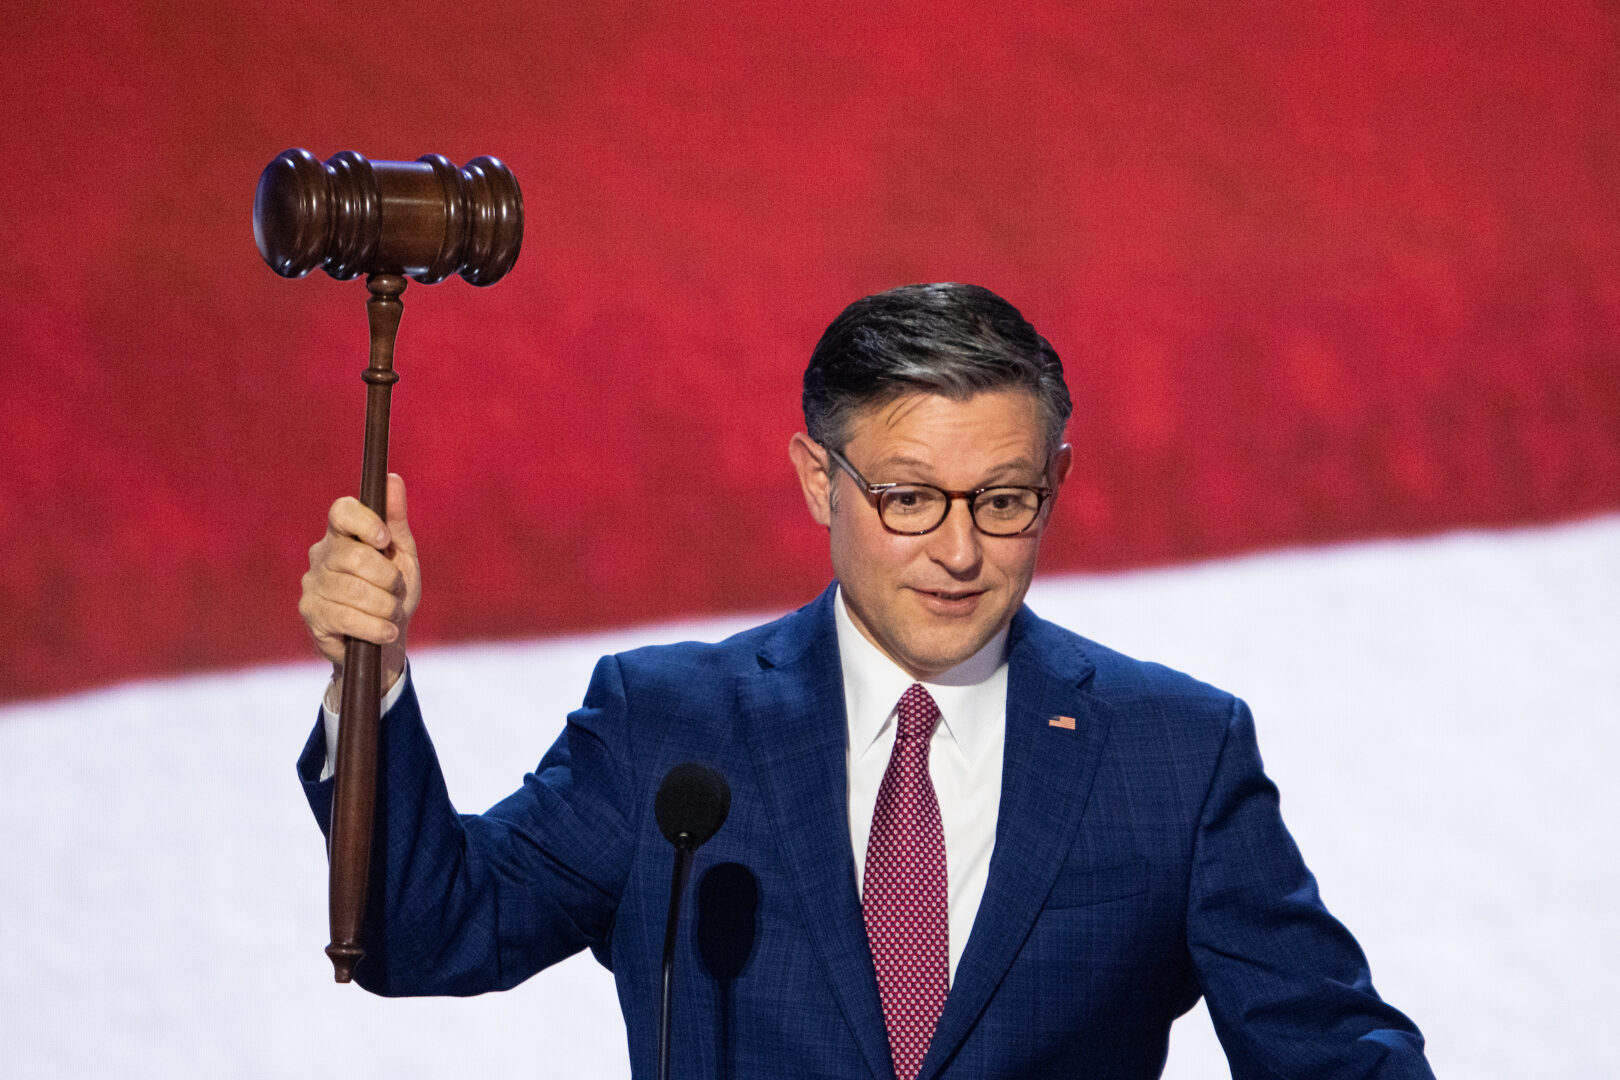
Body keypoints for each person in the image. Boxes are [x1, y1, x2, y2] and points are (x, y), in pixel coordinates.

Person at [296, 283, 1435, 1079]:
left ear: (1057, 481)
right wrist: (373, 678)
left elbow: (1334, 1054)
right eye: (907, 498)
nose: (958, 550)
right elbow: (425, 934)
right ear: (816, 480)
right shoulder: (669, 730)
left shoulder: (1173, 753)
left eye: (1002, 500)